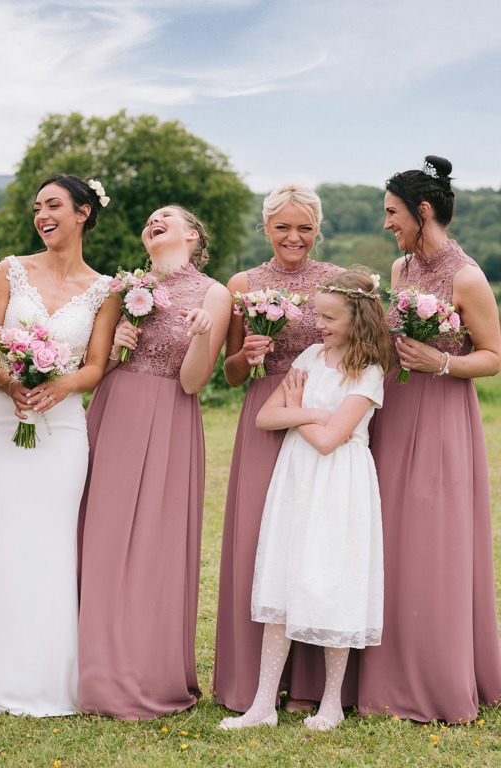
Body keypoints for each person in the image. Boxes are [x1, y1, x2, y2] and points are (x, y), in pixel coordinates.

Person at [357, 156, 501, 723]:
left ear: (421, 211)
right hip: (393, 413)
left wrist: (442, 361)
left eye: (392, 213)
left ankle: (437, 676)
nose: (387, 223)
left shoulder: (467, 277)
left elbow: (493, 356)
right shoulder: (399, 271)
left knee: (433, 540)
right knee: (388, 537)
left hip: (442, 414)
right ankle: (385, 672)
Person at [0, 174, 119, 717]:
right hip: (0, 422)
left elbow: (97, 366)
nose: (42, 215)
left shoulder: (106, 288)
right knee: (1, 539)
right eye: (38, 208)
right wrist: (11, 384)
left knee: (53, 544)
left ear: (83, 213)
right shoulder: (9, 269)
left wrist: (58, 387)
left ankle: (52, 682)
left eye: (54, 205)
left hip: (62, 431)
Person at [220, 269, 391, 731]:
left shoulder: (369, 370)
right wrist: (311, 413)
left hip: (340, 483)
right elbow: (263, 416)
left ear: (358, 320)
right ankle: (262, 705)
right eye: (318, 313)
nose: (319, 324)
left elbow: (332, 440)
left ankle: (332, 702)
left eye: (330, 317)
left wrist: (297, 414)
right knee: (284, 574)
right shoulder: (312, 355)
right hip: (295, 478)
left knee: (334, 580)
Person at [78, 205, 231, 719]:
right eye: (148, 219)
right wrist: (117, 347)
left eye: (165, 217)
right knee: (101, 534)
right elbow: (92, 366)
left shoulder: (214, 293)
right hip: (115, 409)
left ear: (192, 234)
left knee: (153, 543)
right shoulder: (125, 287)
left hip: (169, 416)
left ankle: (143, 667)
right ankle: (89, 666)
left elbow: (192, 382)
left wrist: (205, 333)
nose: (153, 221)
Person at [214, 184, 342, 714]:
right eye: (284, 227)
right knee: (259, 541)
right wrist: (246, 354)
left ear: (317, 230)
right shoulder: (243, 284)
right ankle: (253, 685)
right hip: (266, 413)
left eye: (305, 227)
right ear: (266, 229)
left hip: (321, 414)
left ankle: (310, 688)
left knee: (315, 543)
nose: (295, 237)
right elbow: (230, 374)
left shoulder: (337, 282)